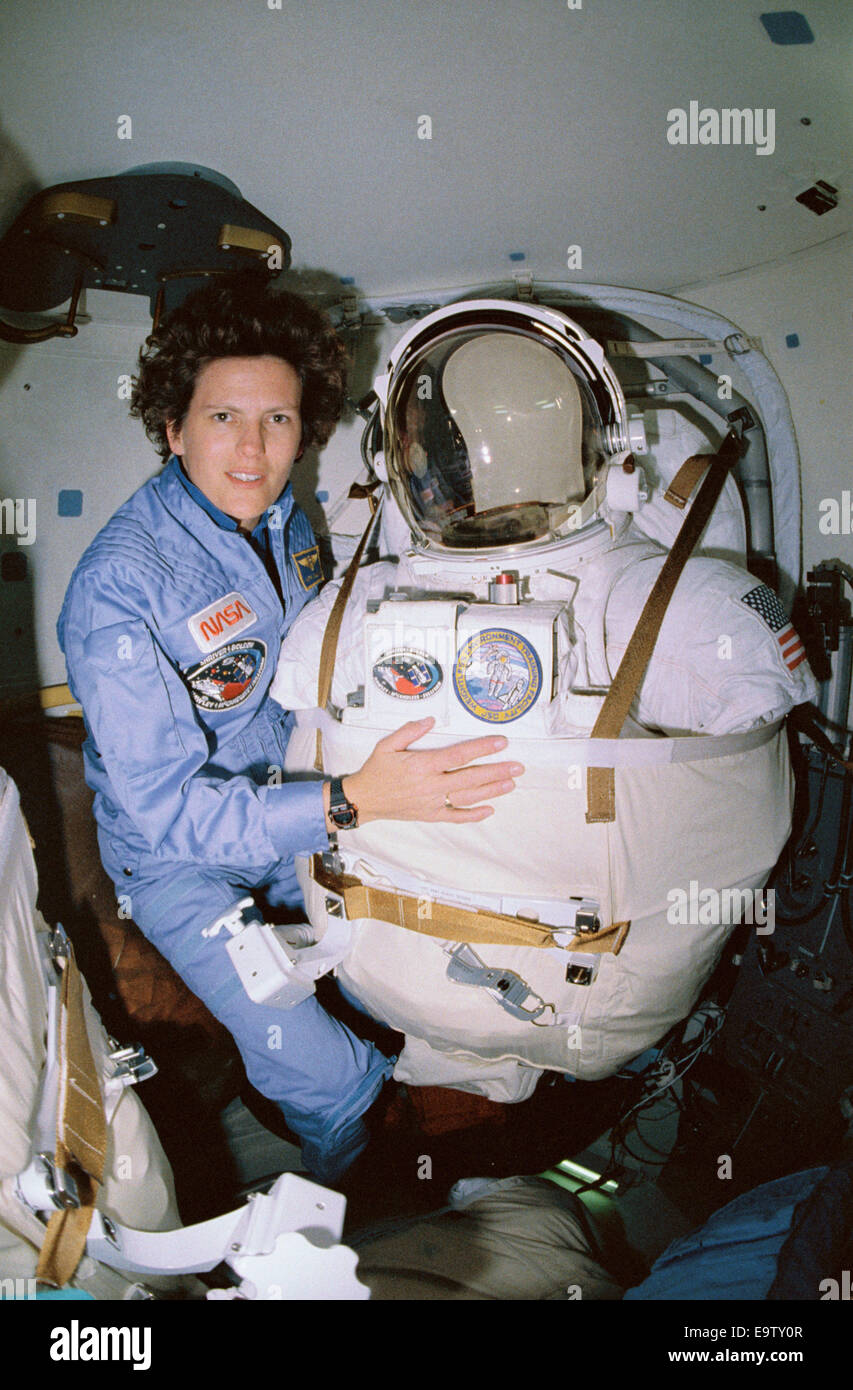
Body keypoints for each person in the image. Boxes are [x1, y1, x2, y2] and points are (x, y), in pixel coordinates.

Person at [271, 297, 818, 1106]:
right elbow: (756, 811)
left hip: (381, 979)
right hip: (590, 1005)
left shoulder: (336, 618)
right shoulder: (698, 609)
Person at [57, 275, 523, 1183]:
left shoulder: (286, 521)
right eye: (224, 417)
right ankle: (350, 1189)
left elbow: (316, 649)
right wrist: (351, 802)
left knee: (426, 931)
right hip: (178, 860)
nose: (253, 449)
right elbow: (169, 814)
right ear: (172, 427)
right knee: (316, 1064)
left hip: (294, 799)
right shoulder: (118, 590)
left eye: (277, 421)